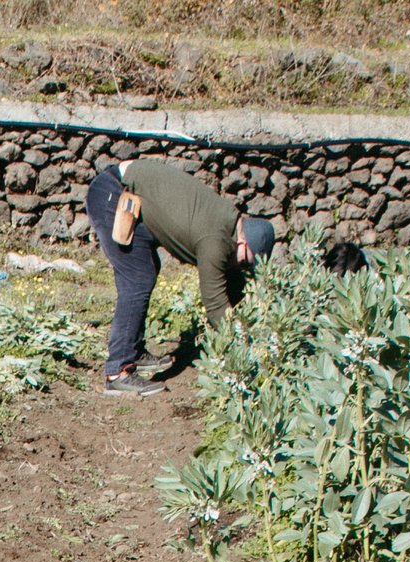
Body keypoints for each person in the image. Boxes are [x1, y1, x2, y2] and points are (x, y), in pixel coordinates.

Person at [86, 155, 277, 396]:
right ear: (243, 240)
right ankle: (118, 373)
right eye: (245, 261)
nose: (241, 266)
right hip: (114, 193)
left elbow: (232, 282)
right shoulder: (215, 241)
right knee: (138, 279)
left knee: (147, 269)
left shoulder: (230, 223)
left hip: (135, 194)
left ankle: (132, 351)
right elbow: (216, 305)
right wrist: (244, 351)